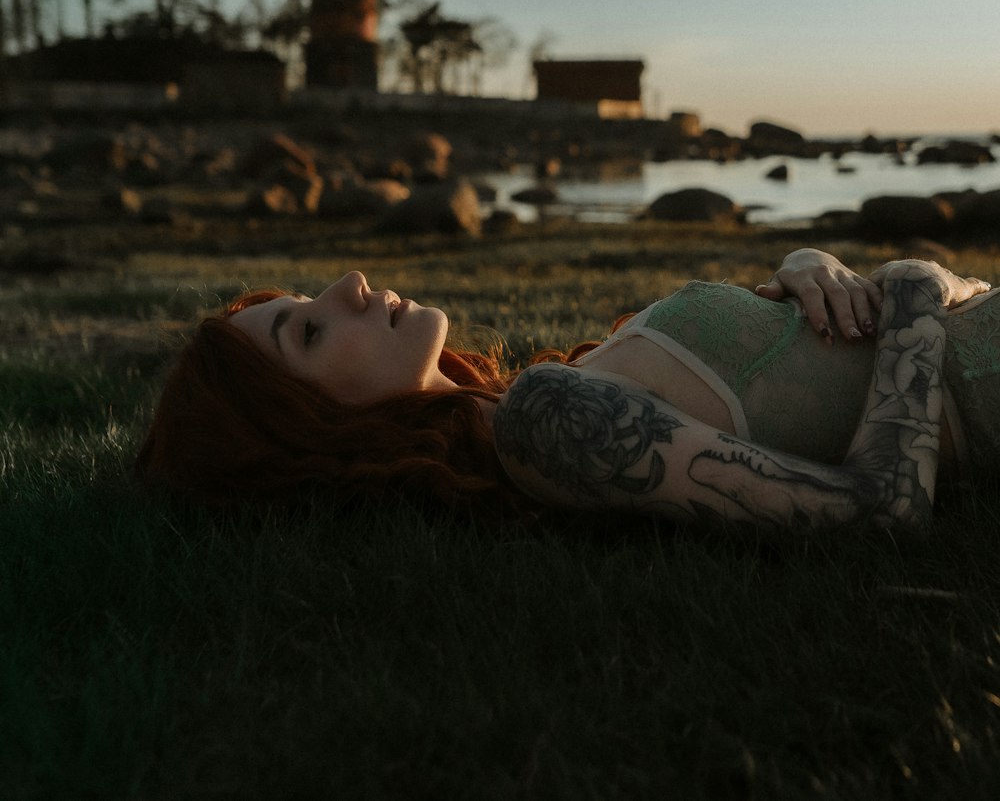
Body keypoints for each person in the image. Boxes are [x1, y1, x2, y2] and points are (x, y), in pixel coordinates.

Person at [136, 249, 999, 529]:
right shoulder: (548, 426)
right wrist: (918, 289)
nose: (351, 284)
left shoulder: (546, 395)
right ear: (313, 427)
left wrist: (809, 266)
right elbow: (880, 508)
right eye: (311, 331)